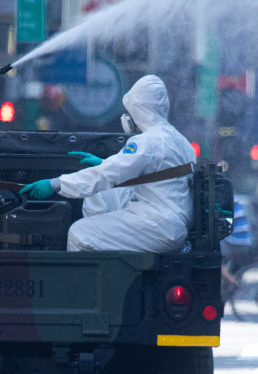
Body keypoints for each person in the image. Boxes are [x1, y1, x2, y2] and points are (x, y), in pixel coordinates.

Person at [19, 75, 195, 252]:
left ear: (138, 108)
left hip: (158, 225)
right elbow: (129, 171)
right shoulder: (180, 141)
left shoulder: (147, 141)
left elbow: (108, 175)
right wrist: (102, 164)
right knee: (99, 194)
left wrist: (55, 184)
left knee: (79, 234)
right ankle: (103, 239)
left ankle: (99, 275)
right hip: (167, 221)